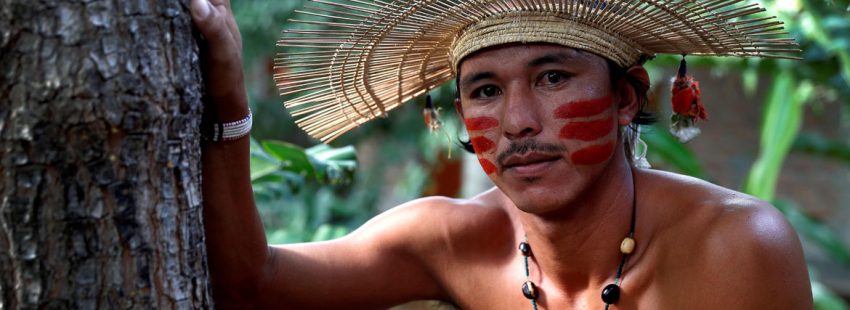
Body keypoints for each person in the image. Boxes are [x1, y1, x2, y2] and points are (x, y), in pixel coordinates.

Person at [190, 0, 813, 308]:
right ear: (462, 115)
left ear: (626, 98)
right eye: (485, 90)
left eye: (552, 78)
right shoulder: (452, 242)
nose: (517, 122)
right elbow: (250, 283)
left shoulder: (734, 248)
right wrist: (226, 104)